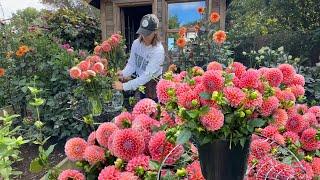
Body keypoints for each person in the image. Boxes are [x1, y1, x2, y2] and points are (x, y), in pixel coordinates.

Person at [112, 14, 164, 100]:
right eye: (142, 33)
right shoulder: (136, 43)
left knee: (153, 110)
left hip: (153, 86)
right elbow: (132, 64)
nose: (144, 36)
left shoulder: (158, 50)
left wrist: (124, 86)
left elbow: (147, 76)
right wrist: (123, 73)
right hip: (141, 82)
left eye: (148, 33)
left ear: (155, 31)